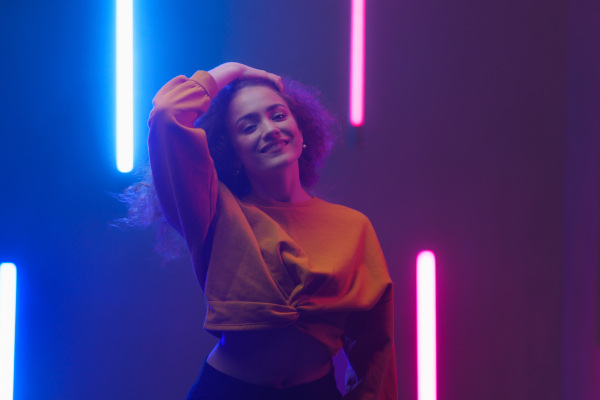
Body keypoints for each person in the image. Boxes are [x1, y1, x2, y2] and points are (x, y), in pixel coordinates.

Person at [131, 62, 397, 399]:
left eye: (279, 115)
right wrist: (233, 70)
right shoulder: (213, 210)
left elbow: (375, 353)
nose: (269, 129)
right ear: (233, 152)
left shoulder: (354, 226)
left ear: (303, 133)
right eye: (248, 126)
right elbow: (168, 114)